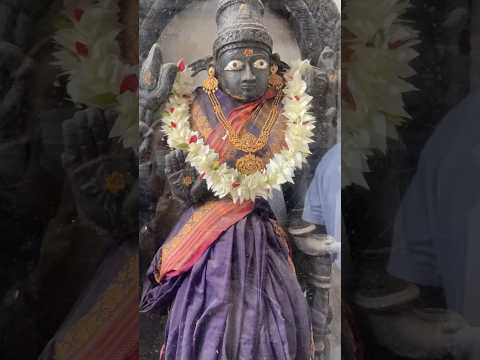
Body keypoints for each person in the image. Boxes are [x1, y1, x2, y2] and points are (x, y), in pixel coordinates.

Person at [140, 1, 313, 359]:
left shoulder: (285, 110)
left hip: (262, 229)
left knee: (277, 313)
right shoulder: (194, 107)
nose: (249, 75)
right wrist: (184, 184)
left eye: (259, 64)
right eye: (236, 65)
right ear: (217, 67)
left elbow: (297, 189)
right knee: (206, 311)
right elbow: (174, 183)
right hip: (207, 231)